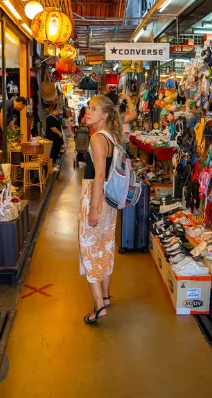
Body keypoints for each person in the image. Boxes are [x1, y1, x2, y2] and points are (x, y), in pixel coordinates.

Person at [78, 95, 123, 324]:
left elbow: (99, 175)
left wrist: (93, 209)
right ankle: (105, 297)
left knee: (88, 250)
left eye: (94, 109)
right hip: (110, 200)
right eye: (89, 108)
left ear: (104, 115)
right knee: (104, 245)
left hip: (95, 197)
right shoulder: (111, 137)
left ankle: (98, 307)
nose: (88, 111)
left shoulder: (97, 138)